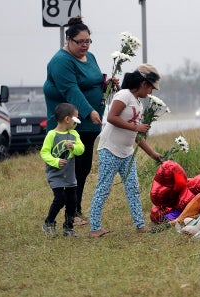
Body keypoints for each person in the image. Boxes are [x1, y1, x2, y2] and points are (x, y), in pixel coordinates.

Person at [43, 16, 117, 226]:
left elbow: (91, 81)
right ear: (68, 39)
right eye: (80, 42)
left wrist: (106, 84)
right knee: (69, 170)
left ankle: (76, 209)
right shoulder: (61, 61)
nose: (85, 45)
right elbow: (71, 89)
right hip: (69, 123)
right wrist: (89, 111)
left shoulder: (90, 57)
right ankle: (69, 213)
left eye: (88, 41)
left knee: (83, 168)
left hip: (89, 124)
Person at [88, 64, 162, 238]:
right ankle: (94, 228)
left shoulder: (138, 103)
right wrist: (137, 127)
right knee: (103, 188)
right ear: (144, 83)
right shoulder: (124, 95)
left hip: (127, 152)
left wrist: (152, 153)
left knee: (133, 188)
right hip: (110, 149)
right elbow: (111, 118)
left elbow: (135, 134)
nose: (151, 92)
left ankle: (140, 225)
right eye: (151, 87)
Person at [40, 103, 85, 238]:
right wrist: (55, 161)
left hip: (70, 175)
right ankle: (48, 222)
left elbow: (81, 149)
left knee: (72, 201)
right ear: (67, 119)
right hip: (55, 174)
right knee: (60, 199)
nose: (77, 121)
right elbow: (45, 153)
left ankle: (68, 228)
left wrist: (73, 147)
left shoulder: (74, 134)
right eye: (75, 118)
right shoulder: (51, 135)